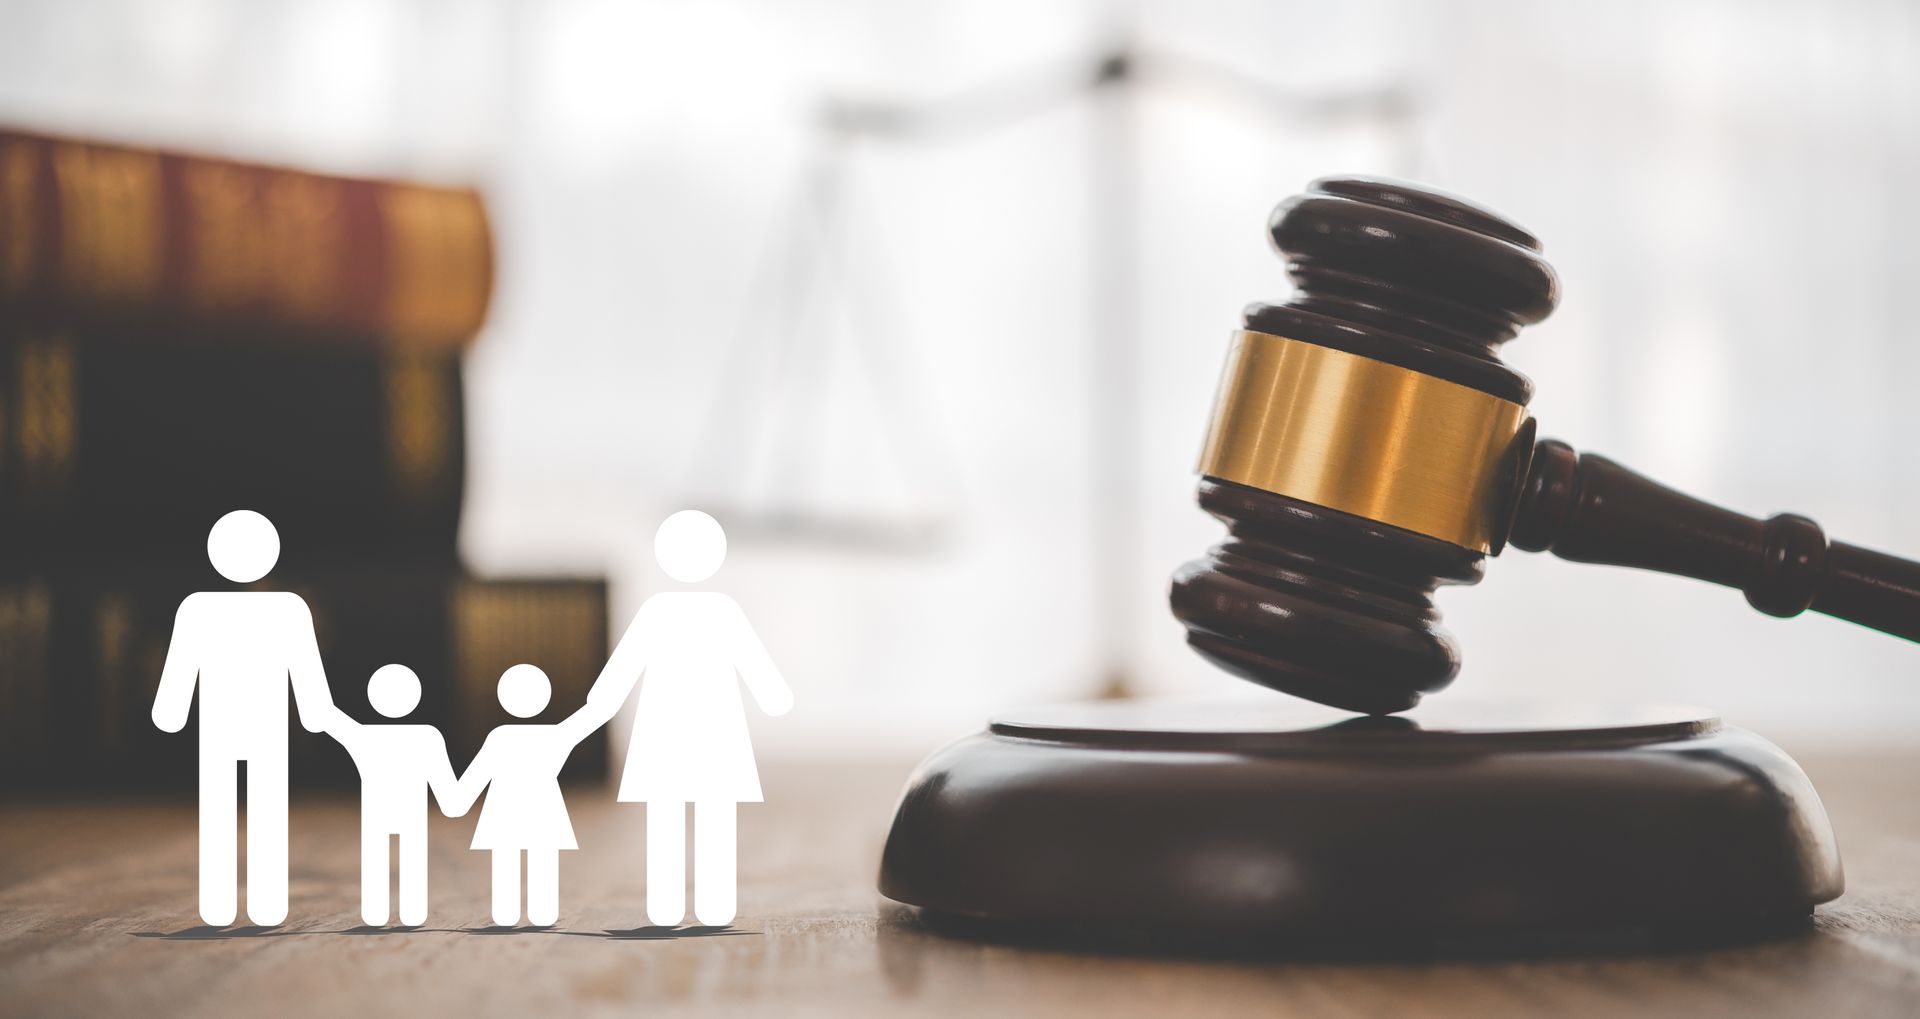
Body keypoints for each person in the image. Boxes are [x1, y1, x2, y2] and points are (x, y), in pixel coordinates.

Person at [586, 509, 793, 927]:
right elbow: (760, 674)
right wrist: (775, 698)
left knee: (668, 820)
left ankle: (667, 907)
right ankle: (711, 906)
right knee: (710, 819)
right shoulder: (721, 611)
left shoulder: (658, 612)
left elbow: (615, 680)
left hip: (666, 735)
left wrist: (596, 707)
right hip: (712, 734)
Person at [151, 509, 335, 926]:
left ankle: (220, 902)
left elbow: (178, 675)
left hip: (223, 726)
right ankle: (265, 901)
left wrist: (170, 710)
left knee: (222, 810)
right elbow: (308, 678)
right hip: (263, 726)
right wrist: (315, 714)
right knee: (261, 810)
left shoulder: (199, 610)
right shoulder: (289, 610)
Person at [441, 664, 616, 927]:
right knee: (541, 861)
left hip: (503, 815)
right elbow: (594, 714)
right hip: (544, 813)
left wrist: (455, 800)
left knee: (506, 862)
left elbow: (475, 778)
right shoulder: (555, 735)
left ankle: (507, 913)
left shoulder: (499, 738)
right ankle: (541, 912)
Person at [316, 664, 464, 927]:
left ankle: (376, 912)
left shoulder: (364, 735)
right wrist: (455, 801)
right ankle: (412, 912)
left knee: (378, 858)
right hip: (411, 814)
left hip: (377, 813)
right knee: (412, 858)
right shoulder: (427, 737)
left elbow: (327, 716)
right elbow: (447, 790)